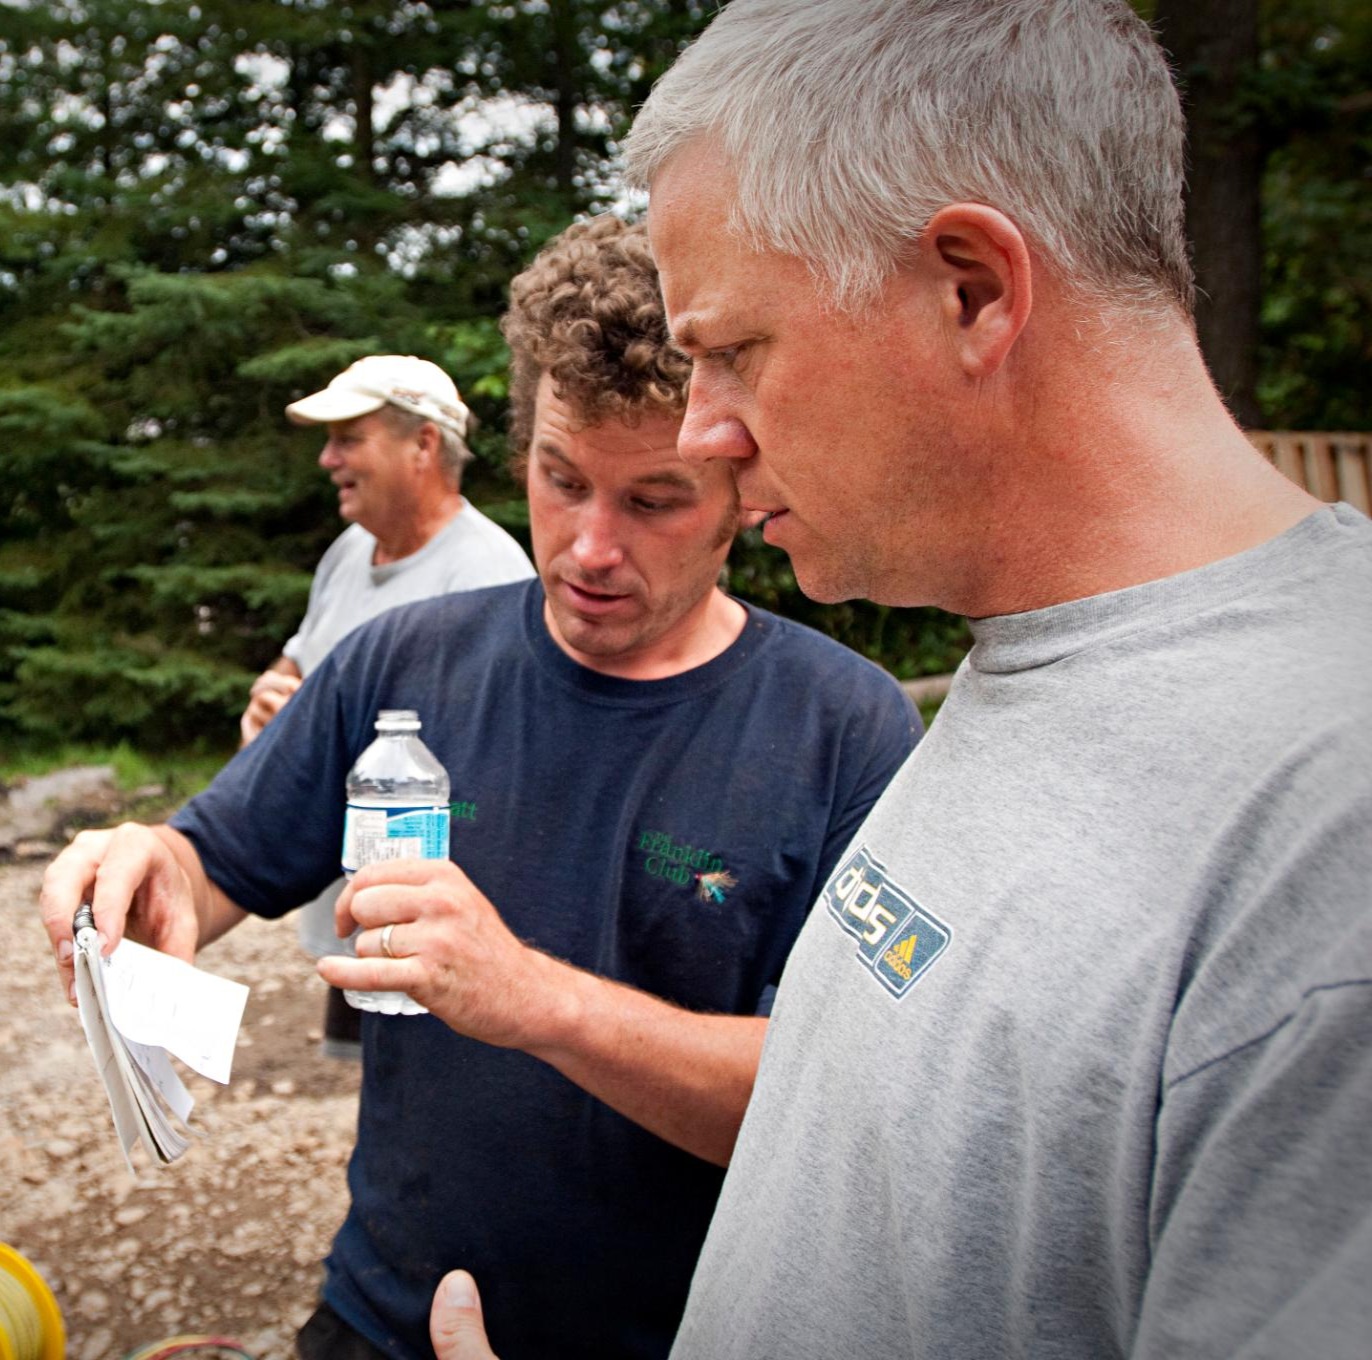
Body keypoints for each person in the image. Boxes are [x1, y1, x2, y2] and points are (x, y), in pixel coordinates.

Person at [600, 1, 1371, 1356]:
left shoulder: (1329, 826)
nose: (701, 432)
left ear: (972, 288)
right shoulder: (1036, 661)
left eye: (730, 351)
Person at [40, 215, 921, 1360]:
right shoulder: (402, 665)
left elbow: (838, 1104)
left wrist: (531, 998)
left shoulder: (844, 728)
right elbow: (214, 862)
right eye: (561, 482)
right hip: (384, 1312)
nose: (589, 547)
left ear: (743, 487)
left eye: (654, 500)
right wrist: (143, 868)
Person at [240, 353, 535, 1057]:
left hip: (436, 928)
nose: (326, 458)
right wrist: (267, 709)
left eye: (349, 438)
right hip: (355, 910)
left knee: (446, 1096)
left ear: (423, 446)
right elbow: (298, 662)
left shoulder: (489, 576)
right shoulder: (350, 550)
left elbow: (502, 773)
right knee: (378, 1095)